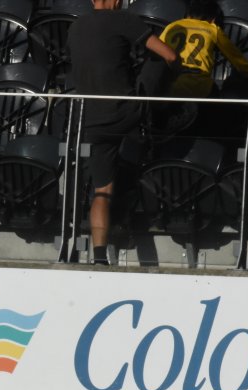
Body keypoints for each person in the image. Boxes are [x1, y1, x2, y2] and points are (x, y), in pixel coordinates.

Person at [67, 0, 178, 263]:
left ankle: (99, 257)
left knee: (102, 191)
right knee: (157, 60)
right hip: (126, 114)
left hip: (91, 120)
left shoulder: (75, 27)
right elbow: (170, 55)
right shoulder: (123, 19)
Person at [161, 0, 248, 99]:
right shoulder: (212, 29)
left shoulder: (171, 26)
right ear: (213, 20)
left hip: (171, 87)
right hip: (200, 86)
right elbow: (235, 56)